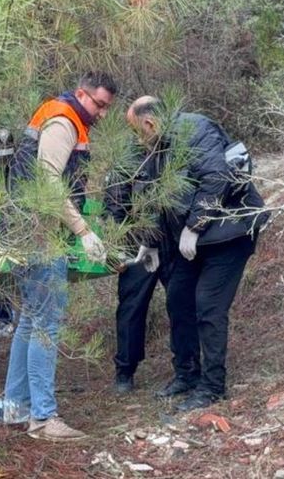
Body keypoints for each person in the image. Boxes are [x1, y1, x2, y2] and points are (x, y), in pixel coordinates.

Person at [125, 96, 269, 411]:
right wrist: (149, 242)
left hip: (229, 232)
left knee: (208, 307)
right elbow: (153, 196)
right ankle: (187, 374)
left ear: (149, 123)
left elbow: (216, 178)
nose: (138, 139)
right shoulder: (156, 148)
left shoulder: (195, 129)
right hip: (194, 242)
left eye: (138, 131)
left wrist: (194, 226)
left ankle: (212, 386)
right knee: (178, 299)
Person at [3, 71, 118, 441]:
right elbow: (49, 182)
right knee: (46, 324)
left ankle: (15, 409)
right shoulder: (64, 123)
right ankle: (43, 418)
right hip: (39, 233)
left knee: (29, 320)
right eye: (98, 104)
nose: (101, 113)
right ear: (81, 94)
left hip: (24, 228)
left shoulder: (64, 118)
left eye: (106, 107)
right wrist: (82, 231)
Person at [103, 146, 176, 395]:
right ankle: (125, 371)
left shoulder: (176, 152)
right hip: (138, 246)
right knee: (131, 309)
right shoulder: (128, 158)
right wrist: (117, 247)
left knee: (182, 305)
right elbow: (114, 207)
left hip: (175, 243)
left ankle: (187, 368)